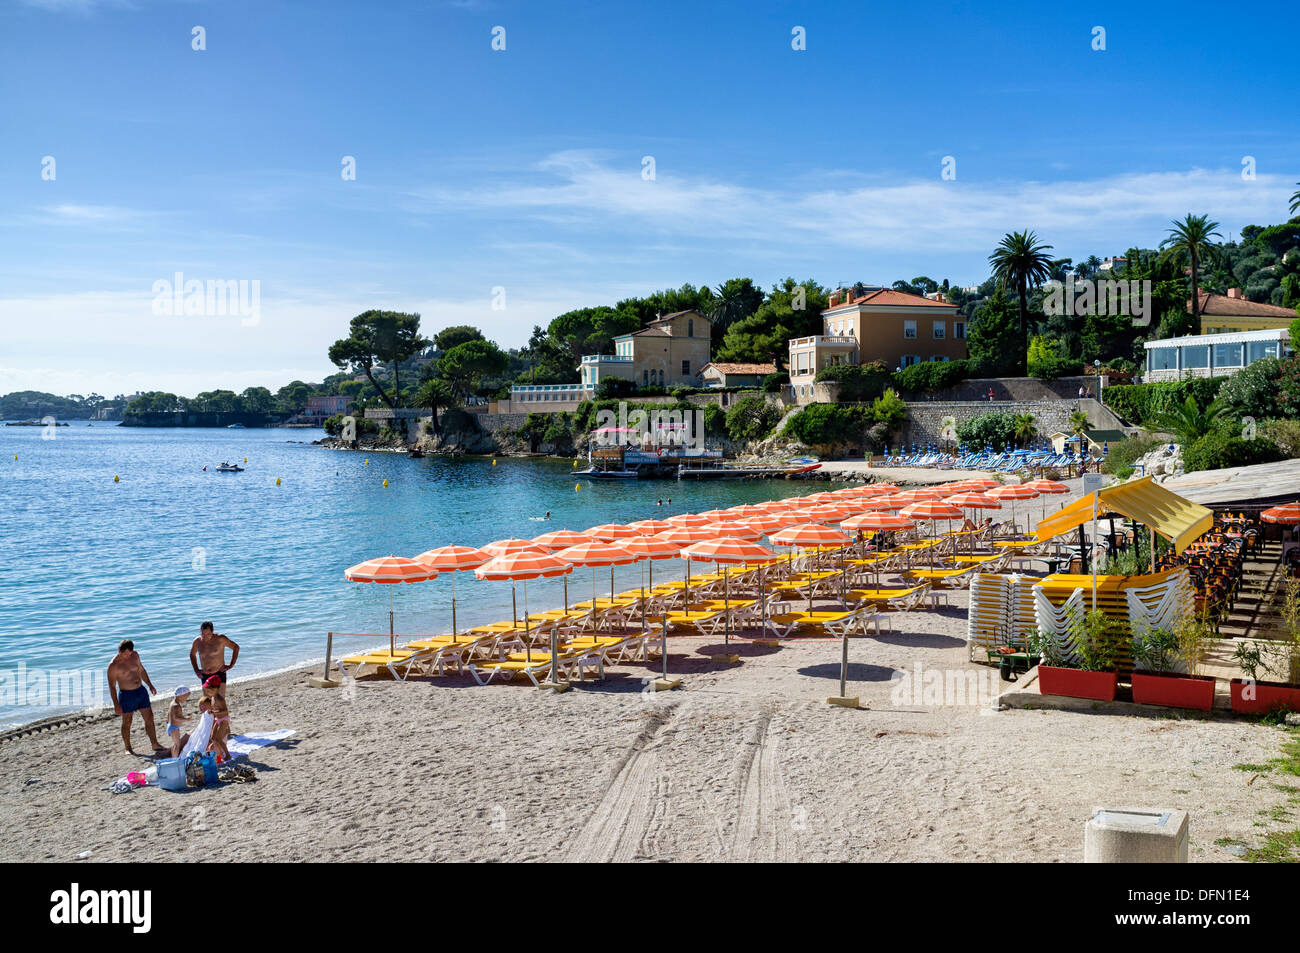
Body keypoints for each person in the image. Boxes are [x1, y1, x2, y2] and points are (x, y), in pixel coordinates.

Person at [107, 640, 164, 755]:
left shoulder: (135, 655)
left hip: (141, 691)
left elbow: (142, 671)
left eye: (129, 653)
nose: (128, 656)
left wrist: (150, 685)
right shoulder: (113, 666)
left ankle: (155, 744)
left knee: (149, 717)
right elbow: (112, 687)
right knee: (127, 721)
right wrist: (116, 705)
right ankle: (128, 748)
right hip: (127, 695)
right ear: (119, 652)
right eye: (125, 654)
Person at [190, 621, 239, 692]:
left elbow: (236, 647)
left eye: (208, 634)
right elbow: (192, 654)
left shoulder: (220, 639)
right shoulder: (197, 641)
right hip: (205, 675)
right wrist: (196, 670)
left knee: (220, 699)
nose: (205, 637)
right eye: (203, 634)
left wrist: (231, 665)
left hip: (219, 673)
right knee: (207, 701)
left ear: (213, 631)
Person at [204, 676, 231, 762]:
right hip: (217, 719)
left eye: (209, 690)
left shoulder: (220, 699)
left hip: (223, 720)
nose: (208, 692)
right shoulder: (212, 698)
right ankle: (219, 754)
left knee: (218, 740)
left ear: (216, 688)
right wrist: (211, 711)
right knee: (212, 738)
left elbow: (225, 712)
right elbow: (215, 709)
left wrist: (214, 712)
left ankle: (227, 755)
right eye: (207, 690)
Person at [167, 687, 192, 757]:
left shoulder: (172, 703)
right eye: (185, 697)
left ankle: (174, 757)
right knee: (177, 745)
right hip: (173, 727)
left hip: (172, 726)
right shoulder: (176, 705)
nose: (185, 699)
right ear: (181, 696)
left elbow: (170, 715)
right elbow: (175, 718)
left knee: (175, 744)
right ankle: (175, 759)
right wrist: (186, 719)